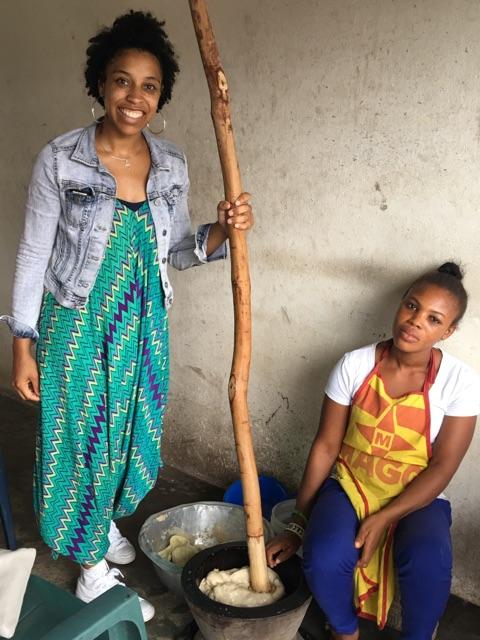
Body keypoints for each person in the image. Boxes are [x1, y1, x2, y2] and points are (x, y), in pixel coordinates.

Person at [0, 11, 253, 622]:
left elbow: (172, 250)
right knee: (81, 441)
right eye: (120, 81)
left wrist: (221, 230)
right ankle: (91, 570)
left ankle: (100, 522)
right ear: (99, 85)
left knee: (130, 433)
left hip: (143, 328)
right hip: (77, 325)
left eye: (147, 85)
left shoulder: (170, 164)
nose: (133, 97)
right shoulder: (60, 160)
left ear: (160, 95)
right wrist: (22, 344)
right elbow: (34, 254)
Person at [266, 262, 480, 640]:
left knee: (429, 564)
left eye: (433, 319)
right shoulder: (355, 364)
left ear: (448, 331)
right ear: (399, 305)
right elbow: (326, 446)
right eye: (412, 306)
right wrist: (299, 523)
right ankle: (344, 630)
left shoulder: (459, 382)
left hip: (418, 491)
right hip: (352, 483)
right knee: (324, 558)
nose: (415, 322)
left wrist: (386, 517)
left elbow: (444, 466)